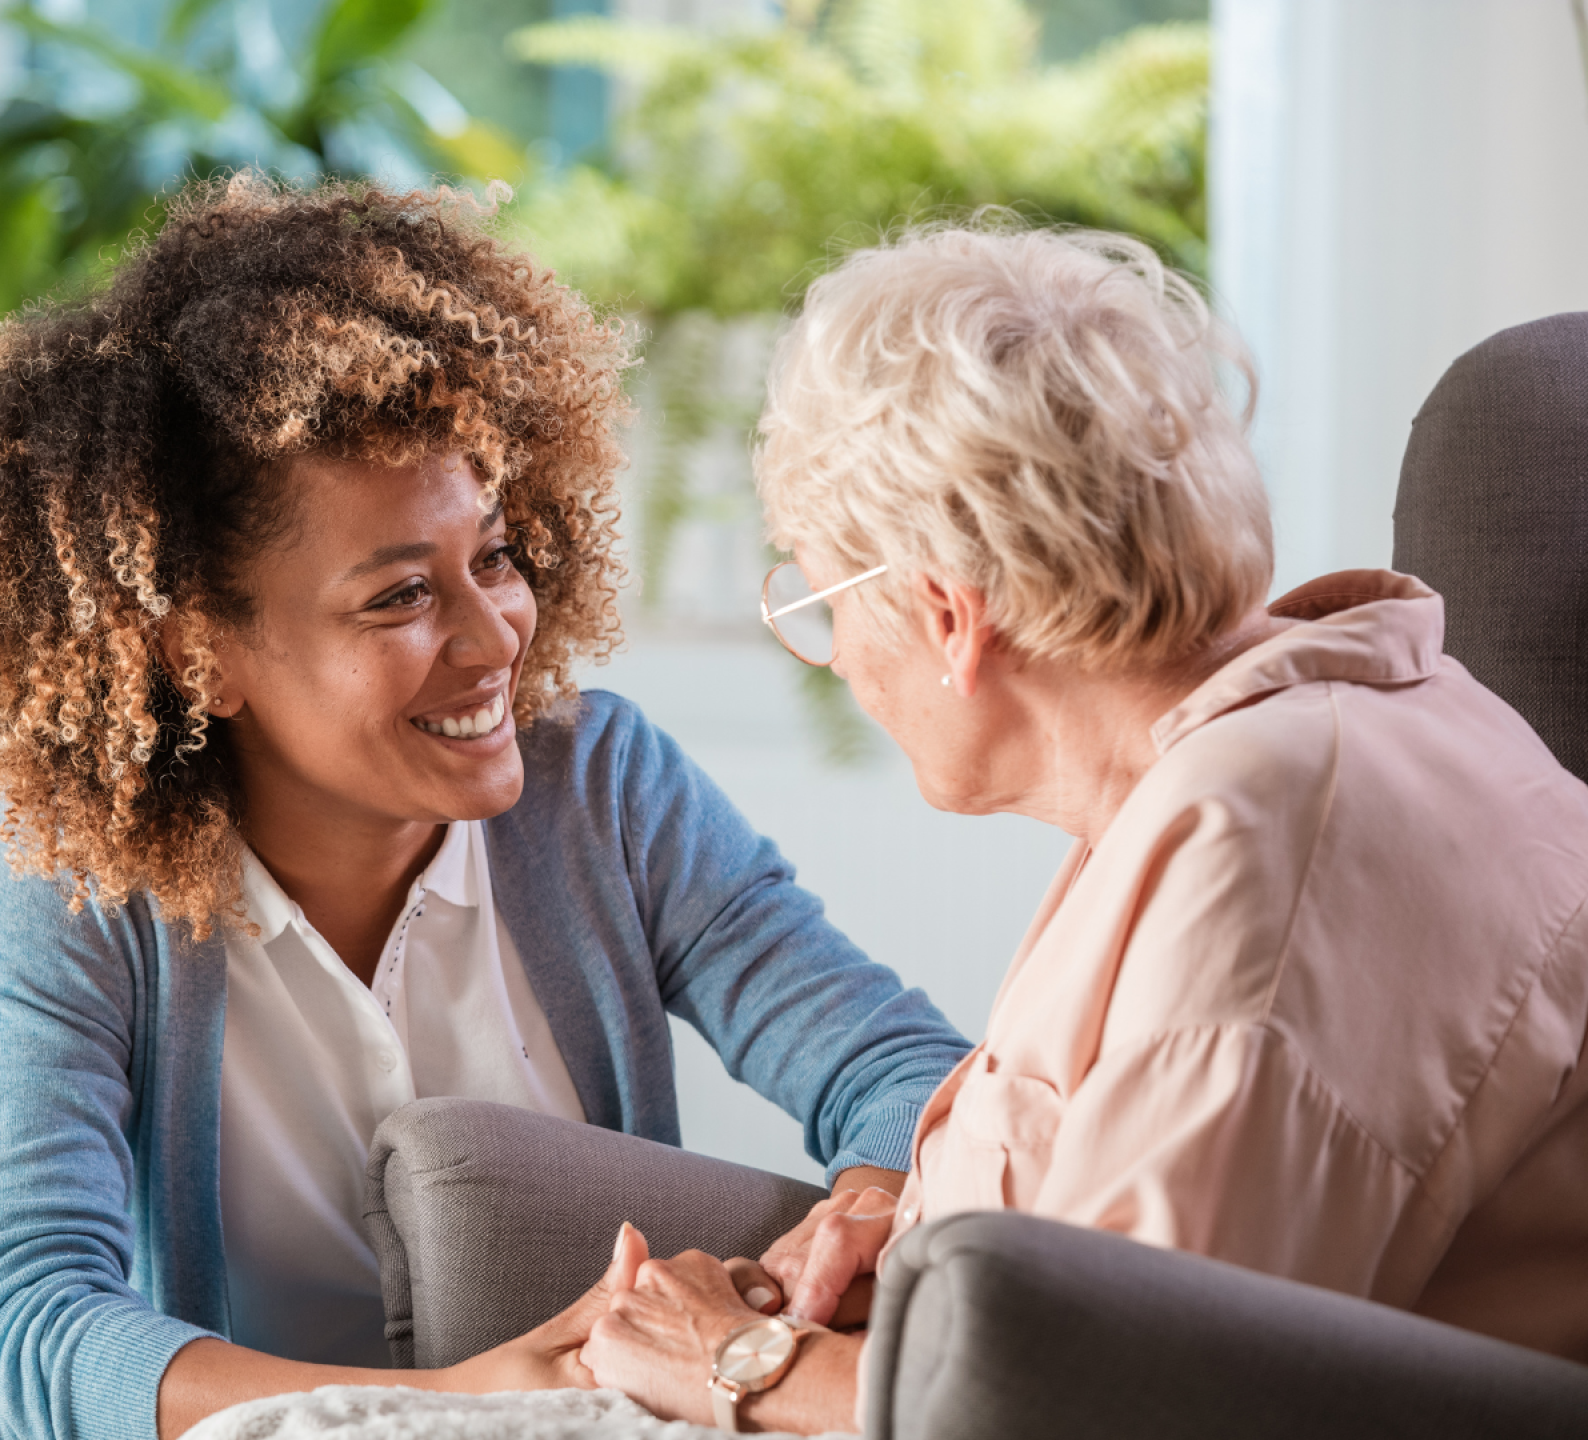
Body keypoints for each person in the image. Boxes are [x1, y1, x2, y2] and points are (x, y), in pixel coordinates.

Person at [0, 174, 972, 1440]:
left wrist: (862, 1209)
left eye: (496, 557)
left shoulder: (603, 787)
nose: (494, 639)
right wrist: (445, 1410)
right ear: (200, 653)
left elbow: (910, 1075)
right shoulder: (68, 873)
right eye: (399, 598)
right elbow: (12, 1330)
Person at [577, 221, 1588, 1432]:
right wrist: (906, 1227)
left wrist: (742, 1364)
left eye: (820, 596)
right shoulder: (1274, 751)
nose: (836, 656)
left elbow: (1122, 1398)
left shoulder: (1263, 843)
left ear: (947, 615)